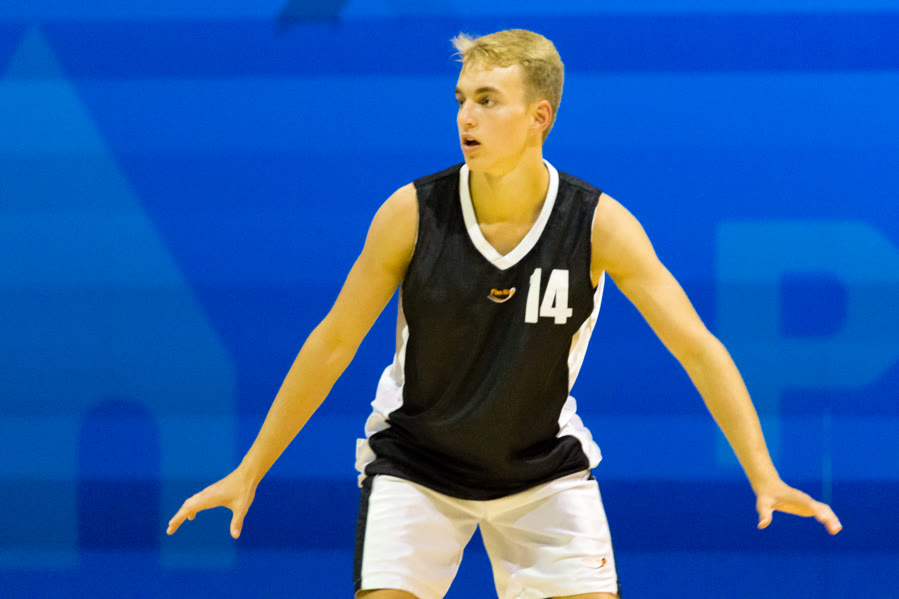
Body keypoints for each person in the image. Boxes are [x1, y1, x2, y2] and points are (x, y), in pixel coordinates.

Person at [166, 29, 842, 599]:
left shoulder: (598, 225)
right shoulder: (410, 214)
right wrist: (249, 470)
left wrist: (762, 472)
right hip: (416, 465)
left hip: (541, 472)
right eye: (461, 99)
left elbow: (696, 346)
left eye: (487, 100)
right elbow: (332, 343)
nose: (467, 117)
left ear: (539, 116)